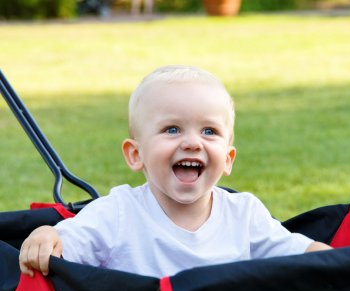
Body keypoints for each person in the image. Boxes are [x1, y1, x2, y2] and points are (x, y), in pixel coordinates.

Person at [19, 65, 331, 279]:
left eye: (209, 131)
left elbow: (300, 251)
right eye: (172, 129)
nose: (193, 143)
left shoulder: (244, 215)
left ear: (228, 159)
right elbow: (66, 242)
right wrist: (47, 233)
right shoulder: (117, 214)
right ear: (135, 154)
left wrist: (343, 261)